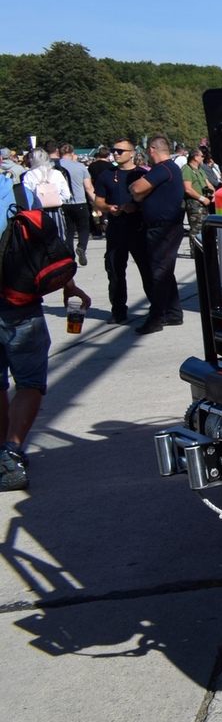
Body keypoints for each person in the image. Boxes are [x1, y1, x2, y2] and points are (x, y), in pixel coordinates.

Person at [0, 175, 92, 491]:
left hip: (15, 305)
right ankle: (10, 450)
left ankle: (4, 455)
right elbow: (45, 243)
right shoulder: (17, 192)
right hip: (19, 304)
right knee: (28, 382)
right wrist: (68, 286)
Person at [128, 136, 185, 335]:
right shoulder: (169, 168)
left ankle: (156, 317)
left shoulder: (163, 168)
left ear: (152, 149)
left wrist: (138, 192)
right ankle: (173, 313)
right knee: (164, 271)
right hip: (162, 227)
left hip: (165, 228)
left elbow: (136, 188)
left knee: (159, 273)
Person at [93, 138, 151, 325]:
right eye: (113, 150)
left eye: (120, 150)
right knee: (115, 270)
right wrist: (109, 208)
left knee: (147, 268)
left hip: (138, 227)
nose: (116, 153)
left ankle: (157, 306)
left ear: (132, 153)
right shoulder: (106, 175)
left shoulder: (143, 174)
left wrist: (136, 207)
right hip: (116, 229)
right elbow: (98, 201)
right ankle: (118, 310)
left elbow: (152, 201)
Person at [22, 148, 71, 243]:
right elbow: (66, 195)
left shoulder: (29, 175)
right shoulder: (57, 173)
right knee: (59, 239)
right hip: (56, 211)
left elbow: (26, 197)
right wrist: (54, 199)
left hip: (37, 212)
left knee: (39, 242)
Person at [57, 143, 94, 266]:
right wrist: (96, 203)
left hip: (63, 202)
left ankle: (69, 254)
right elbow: (88, 187)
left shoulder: (55, 166)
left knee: (69, 230)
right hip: (80, 201)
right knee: (84, 228)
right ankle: (82, 247)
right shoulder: (80, 167)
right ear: (72, 153)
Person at [181, 146, 215, 259]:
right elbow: (188, 189)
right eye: (201, 156)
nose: (203, 157)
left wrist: (213, 193)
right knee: (196, 229)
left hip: (205, 202)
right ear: (195, 157)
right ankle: (195, 252)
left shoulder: (200, 170)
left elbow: (207, 183)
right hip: (195, 203)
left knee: (205, 227)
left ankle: (204, 249)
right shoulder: (187, 170)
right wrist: (201, 198)